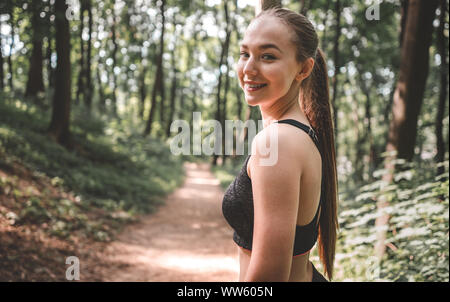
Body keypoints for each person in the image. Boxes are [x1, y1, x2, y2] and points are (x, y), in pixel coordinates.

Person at [222, 7, 338, 282]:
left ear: (304, 68)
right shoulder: (299, 133)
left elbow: (269, 278)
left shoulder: (278, 142)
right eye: (245, 54)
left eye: (268, 57)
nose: (249, 68)